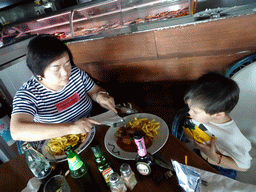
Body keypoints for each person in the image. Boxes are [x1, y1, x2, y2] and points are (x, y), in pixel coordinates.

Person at [10, 35, 117, 152]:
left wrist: (101, 95)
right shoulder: (28, 93)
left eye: (67, 64)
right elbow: (17, 131)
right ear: (38, 72)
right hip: (60, 147)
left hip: (89, 132)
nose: (65, 73)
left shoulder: (76, 74)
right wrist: (71, 128)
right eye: (56, 68)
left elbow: (94, 91)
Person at [183, 72, 252, 179]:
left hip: (222, 169)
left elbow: (245, 167)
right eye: (189, 108)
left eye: (195, 112)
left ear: (218, 115)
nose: (189, 113)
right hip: (202, 154)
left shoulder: (233, 138)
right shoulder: (202, 117)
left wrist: (214, 157)